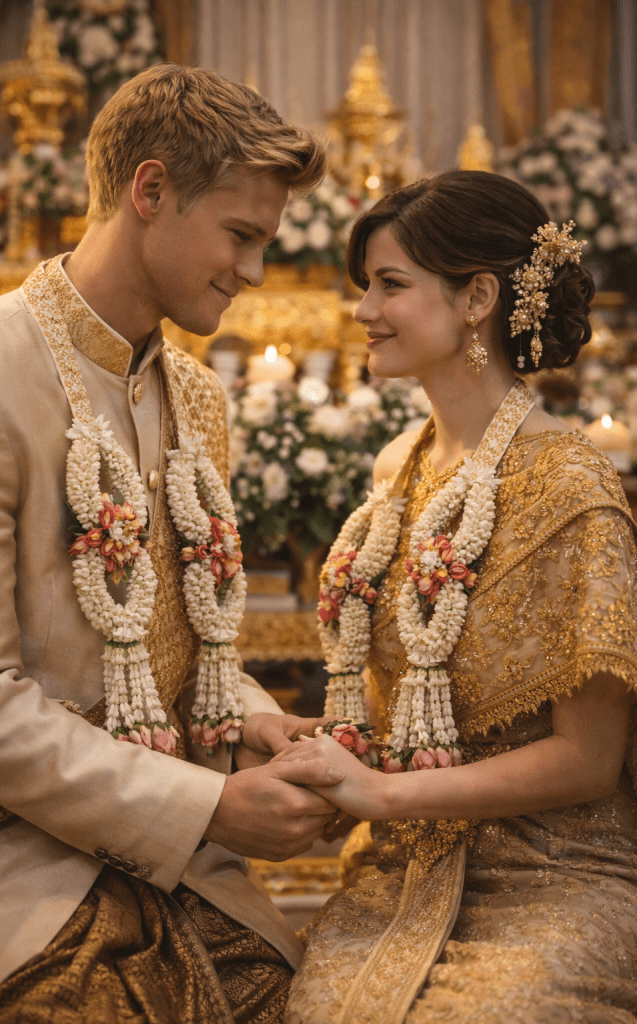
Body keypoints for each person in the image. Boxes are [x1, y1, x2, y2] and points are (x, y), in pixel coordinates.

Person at [0, 64, 344, 1023]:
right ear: (151, 190)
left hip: (181, 862)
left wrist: (249, 715)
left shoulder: (198, 396)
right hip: (6, 855)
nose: (254, 273)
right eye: (241, 235)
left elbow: (177, 637)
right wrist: (207, 807)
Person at [278, 171, 637, 1024]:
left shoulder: (571, 483)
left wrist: (382, 796)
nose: (361, 309)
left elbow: (590, 760)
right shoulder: (396, 467)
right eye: (364, 283)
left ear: (476, 297)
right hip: (396, 869)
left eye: (389, 284)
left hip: (554, 874)